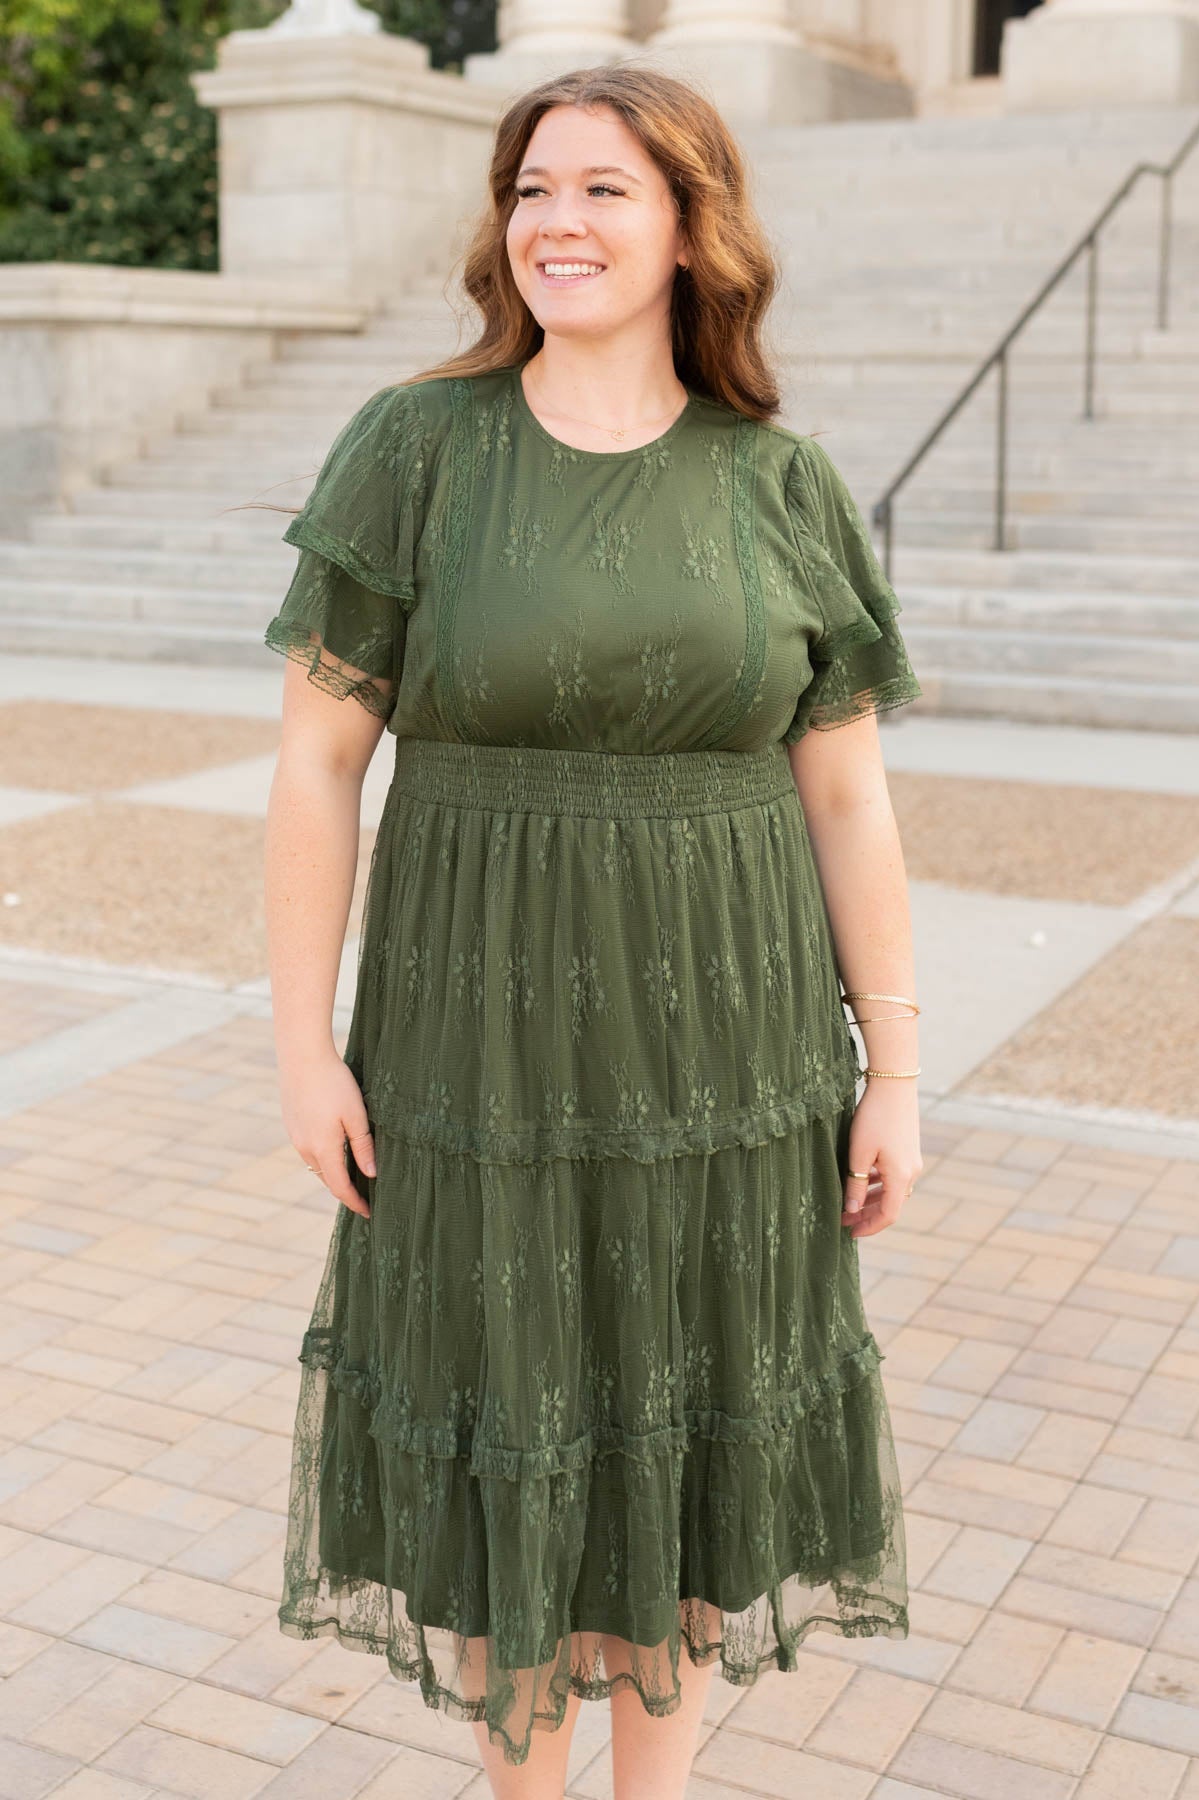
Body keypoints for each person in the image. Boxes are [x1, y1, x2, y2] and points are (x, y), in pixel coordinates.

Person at [262, 60, 923, 1800]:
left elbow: (847, 801)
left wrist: (895, 1070)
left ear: (693, 227)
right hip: (472, 1056)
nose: (555, 221)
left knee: (682, 1445)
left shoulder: (777, 480)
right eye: (531, 189)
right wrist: (301, 1048)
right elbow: (317, 766)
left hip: (729, 1062)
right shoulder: (418, 447)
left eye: (603, 188)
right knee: (513, 1432)